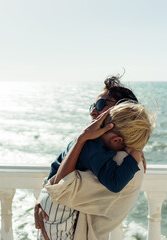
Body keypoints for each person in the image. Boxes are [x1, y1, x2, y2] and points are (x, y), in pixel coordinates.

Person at [34, 75, 147, 239]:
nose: (93, 111)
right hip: (56, 211)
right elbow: (60, 185)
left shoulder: (97, 144)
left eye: (101, 105)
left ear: (122, 110)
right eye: (93, 105)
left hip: (56, 210)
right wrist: (135, 152)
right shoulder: (92, 143)